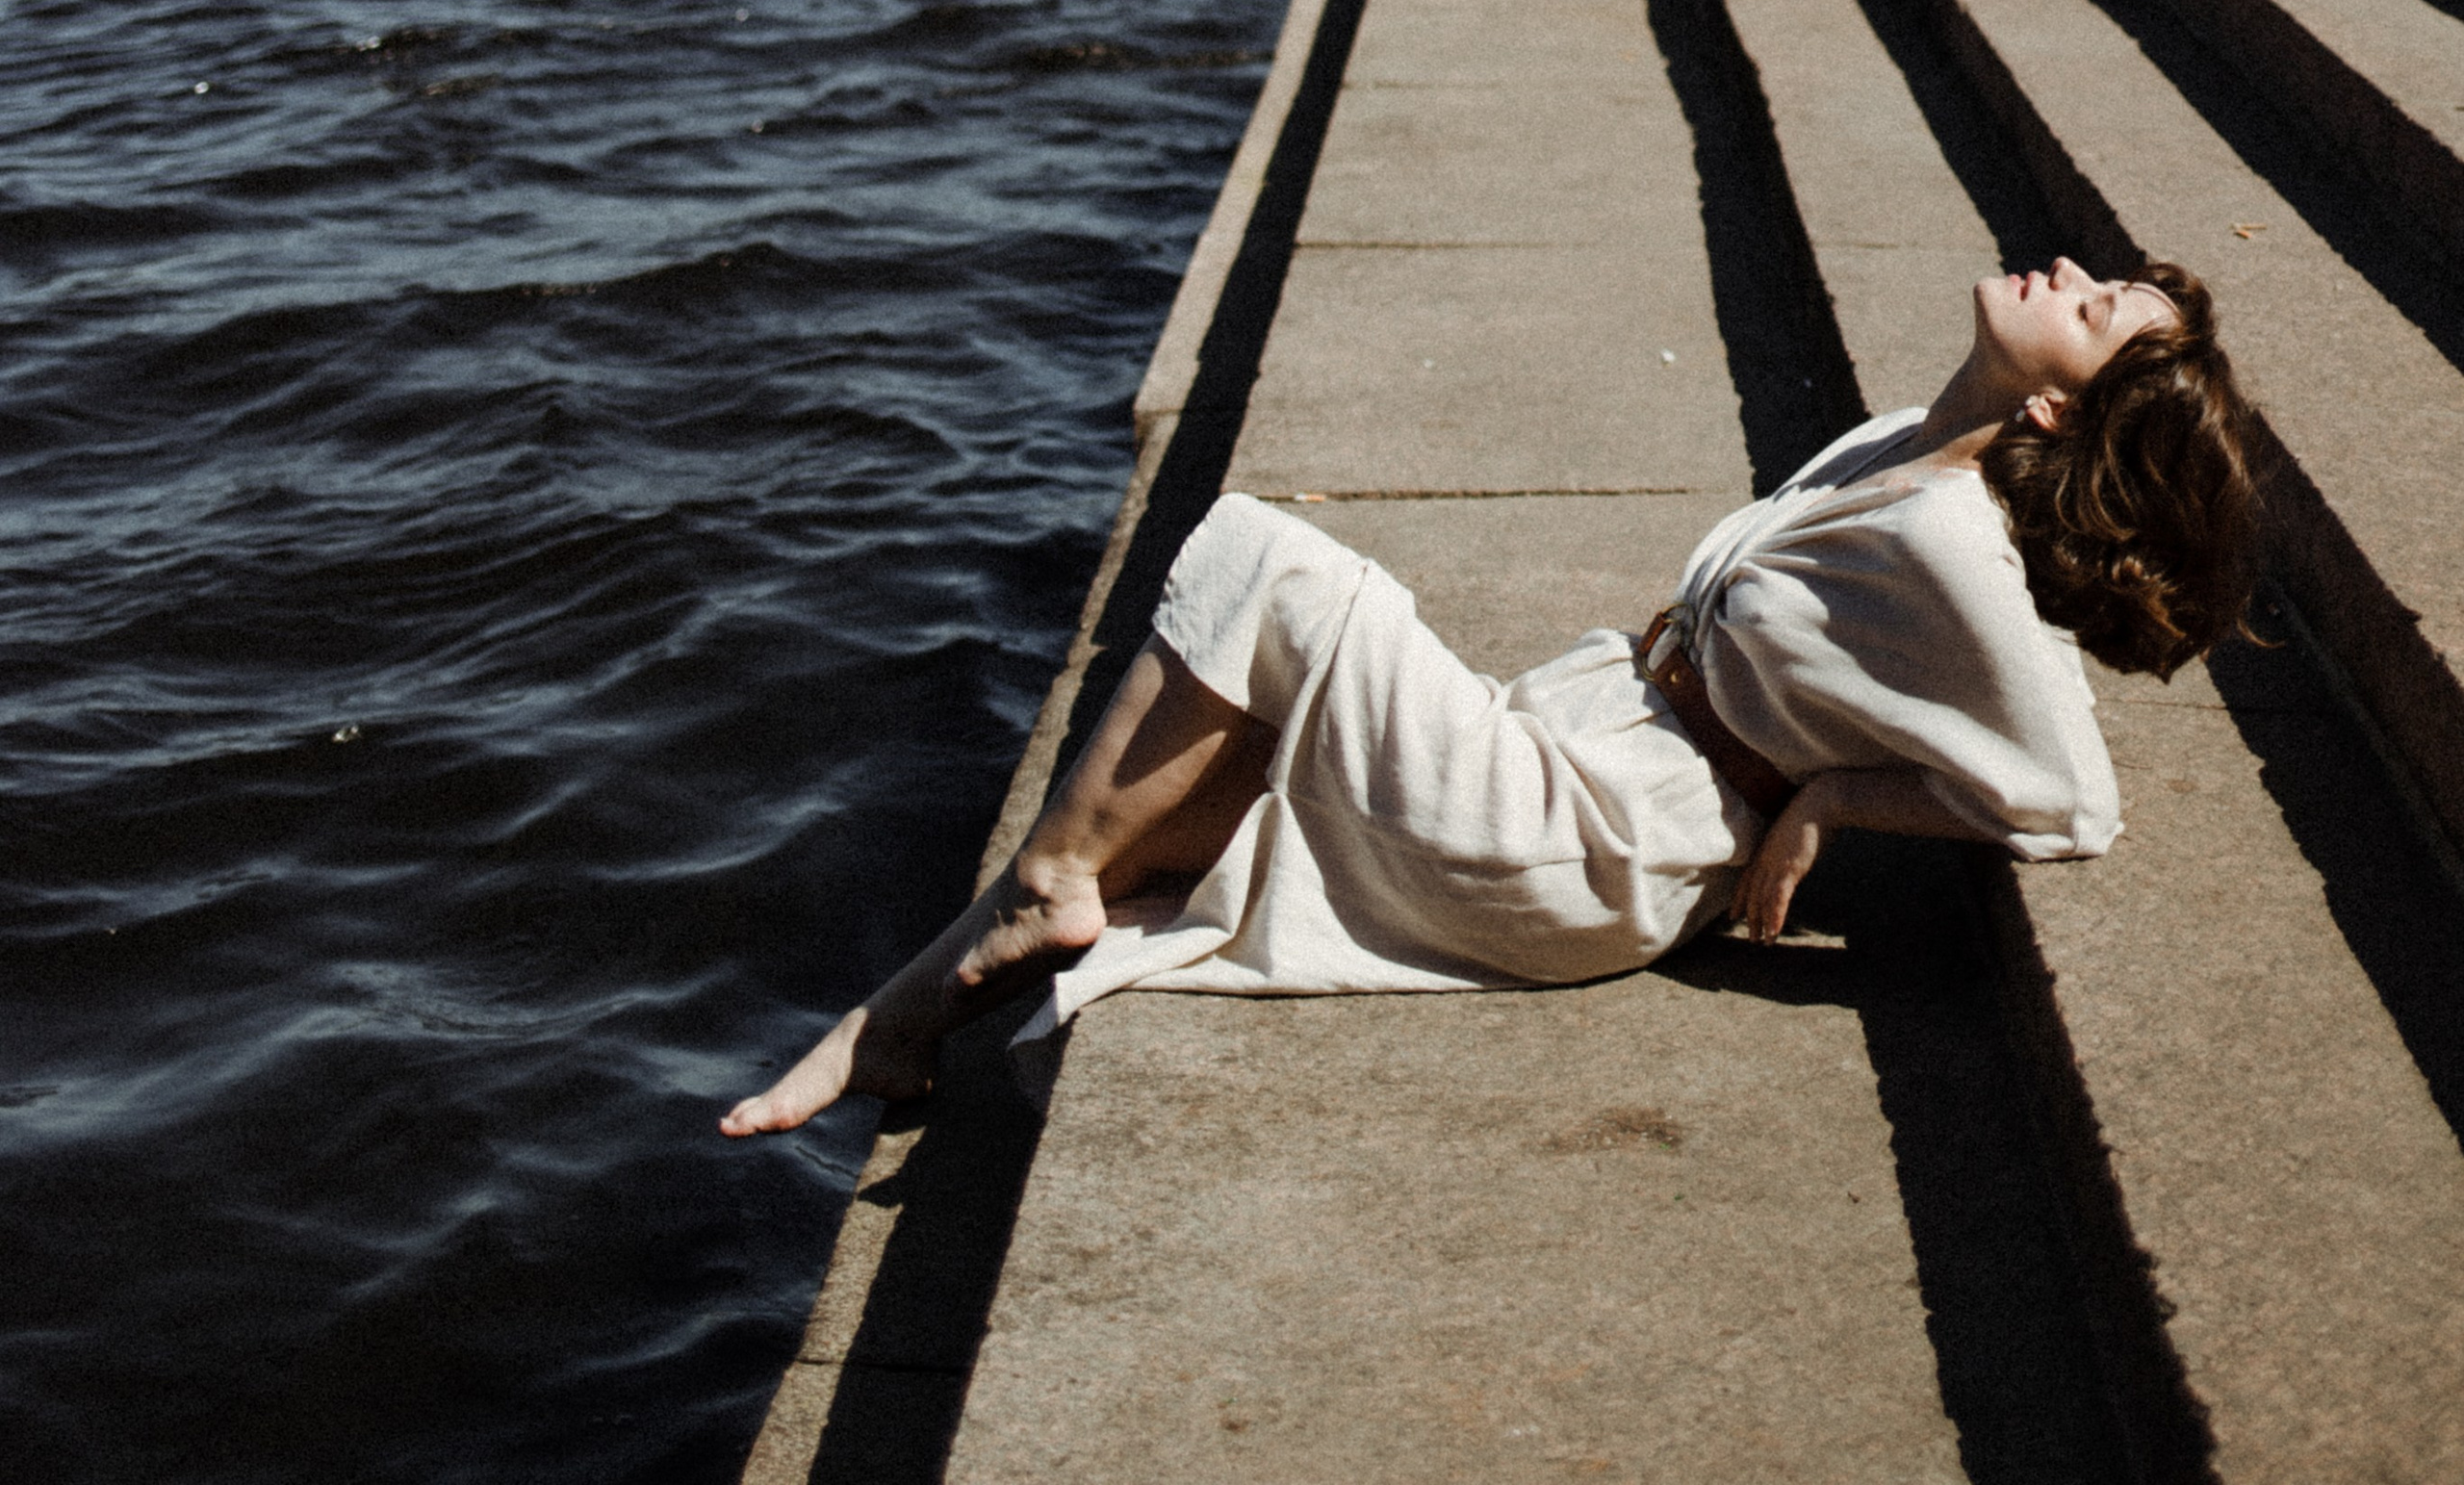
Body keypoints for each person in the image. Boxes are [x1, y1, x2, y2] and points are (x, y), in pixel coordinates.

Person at [722, 254, 2257, 1134]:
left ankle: (1013, 915)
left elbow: (2079, 799)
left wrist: (1834, 798)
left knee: (1280, 566)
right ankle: (922, 996)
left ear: (2057, 398)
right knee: (1228, 729)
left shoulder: (1953, 541)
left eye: (2101, 301)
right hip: (1575, 741)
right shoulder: (1891, 439)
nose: (2073, 269)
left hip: (1594, 841)